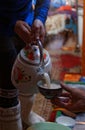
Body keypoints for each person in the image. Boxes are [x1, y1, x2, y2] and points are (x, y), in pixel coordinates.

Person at [0, 0, 50, 130]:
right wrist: (11, 24)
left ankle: (25, 114)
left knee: (29, 67)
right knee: (8, 70)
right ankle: (9, 120)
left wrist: (39, 18)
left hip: (24, 15)